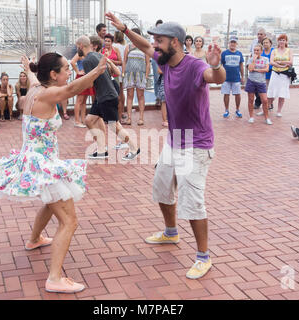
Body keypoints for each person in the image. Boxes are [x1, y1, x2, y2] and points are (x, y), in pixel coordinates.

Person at [106, 12, 226, 279]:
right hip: (176, 139)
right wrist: (125, 29)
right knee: (162, 187)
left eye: (160, 40)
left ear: (175, 42)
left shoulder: (194, 66)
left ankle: (203, 257)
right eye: (155, 40)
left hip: (195, 144)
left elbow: (215, 78)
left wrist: (216, 66)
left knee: (192, 201)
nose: (155, 45)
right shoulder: (166, 60)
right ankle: (171, 233)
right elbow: (143, 46)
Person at [0, 53, 108, 294]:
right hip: (43, 164)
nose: (69, 71)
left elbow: (33, 76)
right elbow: (73, 88)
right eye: (65, 68)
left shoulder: (35, 88)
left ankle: (34, 239)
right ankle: (54, 278)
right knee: (69, 221)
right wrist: (97, 71)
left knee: (51, 204)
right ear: (53, 74)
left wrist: (29, 68)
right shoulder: (49, 93)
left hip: (32, 159)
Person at [77, 36, 140, 161]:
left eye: (76, 46)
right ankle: (101, 151)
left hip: (107, 96)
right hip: (102, 96)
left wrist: (77, 85)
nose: (76, 48)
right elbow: (114, 72)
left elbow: (90, 82)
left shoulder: (87, 61)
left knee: (114, 126)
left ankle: (134, 148)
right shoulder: (98, 55)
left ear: (81, 46)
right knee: (89, 120)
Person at [122, 28, 150, 126]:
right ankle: (129, 118)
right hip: (129, 75)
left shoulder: (144, 47)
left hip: (141, 75)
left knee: (140, 96)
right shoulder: (128, 47)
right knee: (129, 96)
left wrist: (146, 76)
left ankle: (141, 118)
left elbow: (147, 63)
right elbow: (124, 61)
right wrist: (123, 74)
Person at [245, 44, 273, 125]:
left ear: (261, 51)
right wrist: (253, 61)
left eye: (257, 50)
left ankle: (267, 118)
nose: (256, 52)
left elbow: (267, 69)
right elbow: (250, 69)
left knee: (264, 100)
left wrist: (256, 69)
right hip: (251, 81)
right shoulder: (250, 59)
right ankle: (251, 117)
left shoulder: (265, 59)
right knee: (250, 99)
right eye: (255, 50)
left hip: (261, 82)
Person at [267, 34, 293, 118]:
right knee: (271, 92)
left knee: (282, 93)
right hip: (275, 73)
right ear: (278, 41)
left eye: (283, 40)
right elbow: (271, 62)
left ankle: (279, 111)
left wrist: (280, 63)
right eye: (280, 40)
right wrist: (280, 65)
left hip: (284, 75)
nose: (282, 41)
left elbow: (291, 62)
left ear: (286, 41)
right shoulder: (274, 51)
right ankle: (267, 107)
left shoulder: (289, 50)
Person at [221, 36, 244, 119]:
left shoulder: (239, 53)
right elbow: (220, 65)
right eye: (231, 42)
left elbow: (241, 65)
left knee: (238, 94)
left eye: (234, 42)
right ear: (229, 43)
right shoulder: (224, 53)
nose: (233, 44)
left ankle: (237, 110)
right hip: (225, 78)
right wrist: (220, 77)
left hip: (236, 78)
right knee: (226, 94)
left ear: (236, 44)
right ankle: (226, 110)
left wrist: (243, 76)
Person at [71, 53, 93, 128]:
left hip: (87, 77)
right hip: (81, 76)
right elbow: (72, 62)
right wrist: (78, 71)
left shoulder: (88, 53)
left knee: (84, 101)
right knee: (79, 100)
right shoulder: (79, 53)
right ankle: (77, 121)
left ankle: (83, 120)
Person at [250, 28, 267, 109]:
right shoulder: (254, 42)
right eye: (258, 34)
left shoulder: (267, 42)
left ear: (265, 35)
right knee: (255, 86)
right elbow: (251, 53)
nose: (259, 35)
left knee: (264, 86)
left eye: (261, 34)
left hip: (264, 66)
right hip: (254, 65)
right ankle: (258, 101)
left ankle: (265, 102)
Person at [256, 37, 274, 116]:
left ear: (270, 43)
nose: (265, 44)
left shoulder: (273, 51)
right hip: (263, 74)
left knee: (272, 90)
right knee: (264, 91)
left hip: (273, 73)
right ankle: (266, 105)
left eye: (267, 42)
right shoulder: (261, 52)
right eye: (264, 43)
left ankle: (270, 104)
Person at [113, 31, 127, 121]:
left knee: (116, 93)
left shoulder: (114, 46)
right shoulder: (125, 46)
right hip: (123, 70)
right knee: (122, 93)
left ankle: (117, 113)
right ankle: (122, 112)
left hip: (116, 70)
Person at [151, 19, 164, 107]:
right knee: (156, 78)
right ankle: (157, 97)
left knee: (164, 78)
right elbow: (149, 47)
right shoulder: (152, 36)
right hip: (155, 58)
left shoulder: (166, 37)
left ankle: (163, 97)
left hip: (164, 58)